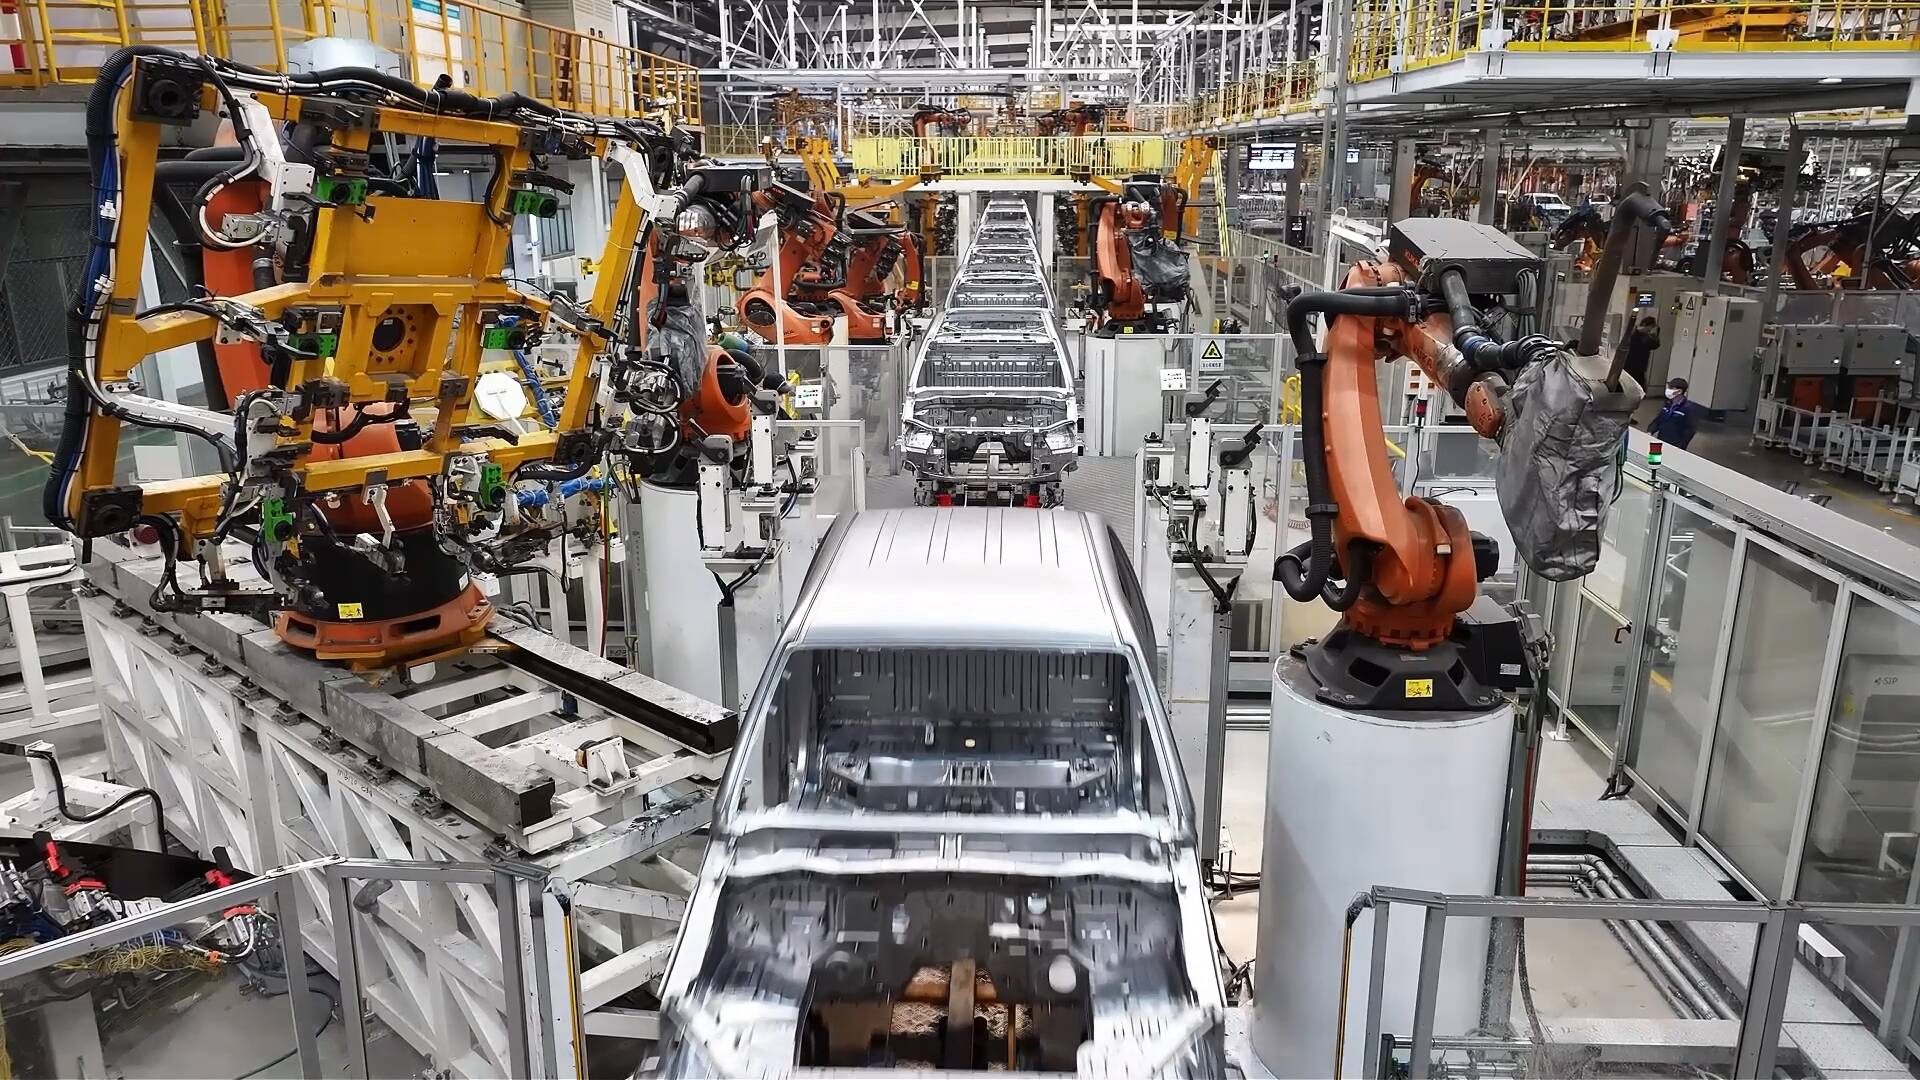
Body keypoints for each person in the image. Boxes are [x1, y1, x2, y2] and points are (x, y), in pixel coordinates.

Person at [1647, 377, 1707, 450]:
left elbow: (1690, 430)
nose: (1668, 390)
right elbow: (1658, 420)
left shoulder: (1688, 408)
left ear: (1679, 391)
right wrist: (1650, 431)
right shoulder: (1668, 404)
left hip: (1675, 444)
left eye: (1671, 388)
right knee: (1655, 456)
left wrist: (1681, 446)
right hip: (1661, 440)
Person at [1623, 315, 1660, 390]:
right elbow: (1652, 344)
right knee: (1635, 387)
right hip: (1632, 365)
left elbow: (1655, 345)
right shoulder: (1636, 334)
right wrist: (1652, 335)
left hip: (1639, 366)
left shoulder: (1644, 335)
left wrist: (1655, 335)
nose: (1650, 330)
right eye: (1651, 327)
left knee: (1638, 387)